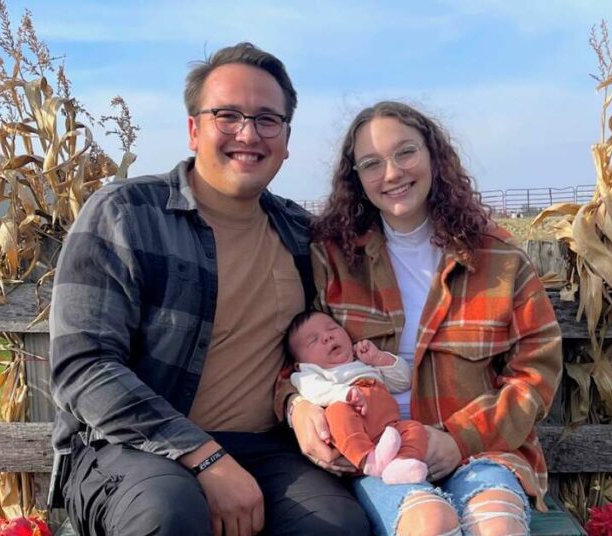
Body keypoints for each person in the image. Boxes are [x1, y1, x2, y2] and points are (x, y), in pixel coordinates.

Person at [49, 42, 369, 536]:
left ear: (286, 138)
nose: (248, 133)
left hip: (266, 447)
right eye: (228, 115)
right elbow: (83, 366)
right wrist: (204, 456)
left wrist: (302, 405)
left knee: (336, 525)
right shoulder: (124, 214)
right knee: (169, 515)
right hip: (132, 448)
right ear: (194, 129)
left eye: (267, 119)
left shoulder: (303, 235)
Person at [285, 101, 564, 536]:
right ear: (356, 179)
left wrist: (458, 439)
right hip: (376, 454)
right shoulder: (334, 258)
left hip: (481, 449)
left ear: (433, 155)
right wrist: (296, 404)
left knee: (498, 527)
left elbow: (536, 371)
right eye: (372, 163)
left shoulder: (498, 256)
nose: (392, 173)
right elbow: (293, 354)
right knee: (429, 524)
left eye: (405, 153)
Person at [285, 310, 429, 484]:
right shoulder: (309, 373)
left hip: (387, 429)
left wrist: (379, 358)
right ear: (300, 363)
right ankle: (369, 461)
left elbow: (403, 382)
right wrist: (344, 394)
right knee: (337, 412)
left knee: (414, 429)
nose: (327, 337)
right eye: (313, 340)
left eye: (332, 328)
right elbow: (315, 391)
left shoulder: (362, 362)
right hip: (355, 433)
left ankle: (401, 464)